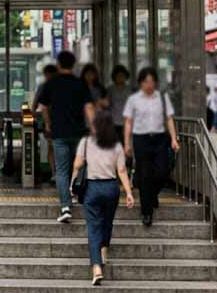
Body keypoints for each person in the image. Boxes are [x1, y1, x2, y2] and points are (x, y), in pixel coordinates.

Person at [72, 109, 135, 286]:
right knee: (107, 222)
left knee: (93, 228)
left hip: (92, 188)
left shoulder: (86, 142)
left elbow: (77, 164)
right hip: (111, 188)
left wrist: (72, 184)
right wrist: (129, 193)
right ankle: (104, 252)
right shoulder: (116, 145)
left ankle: (97, 268)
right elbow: (122, 170)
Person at [37, 51, 94, 223]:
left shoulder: (51, 83)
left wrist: (47, 124)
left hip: (59, 133)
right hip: (78, 132)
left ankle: (65, 207)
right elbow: (89, 107)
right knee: (80, 165)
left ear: (59, 64)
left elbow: (43, 106)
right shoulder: (80, 83)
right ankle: (76, 191)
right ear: (74, 64)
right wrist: (94, 128)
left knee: (61, 170)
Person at [123, 67, 179, 227]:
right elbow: (128, 122)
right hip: (141, 139)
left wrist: (174, 139)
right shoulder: (134, 99)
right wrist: (127, 143)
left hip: (160, 139)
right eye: (146, 81)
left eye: (152, 81)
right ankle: (146, 212)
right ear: (141, 83)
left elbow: (169, 118)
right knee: (145, 174)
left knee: (163, 171)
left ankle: (152, 194)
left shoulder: (162, 98)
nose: (149, 84)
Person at [33, 64, 58, 181]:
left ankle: (57, 172)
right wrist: (31, 114)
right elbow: (37, 102)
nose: (49, 77)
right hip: (50, 121)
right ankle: (54, 172)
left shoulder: (56, 86)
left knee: (54, 147)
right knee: (52, 147)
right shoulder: (43, 86)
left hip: (56, 121)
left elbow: (36, 103)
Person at [105, 65, 133, 141]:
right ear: (114, 77)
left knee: (126, 143)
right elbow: (107, 104)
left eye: (122, 75)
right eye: (118, 75)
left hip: (126, 121)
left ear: (126, 76)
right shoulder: (110, 89)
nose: (120, 78)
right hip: (113, 121)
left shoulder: (129, 90)